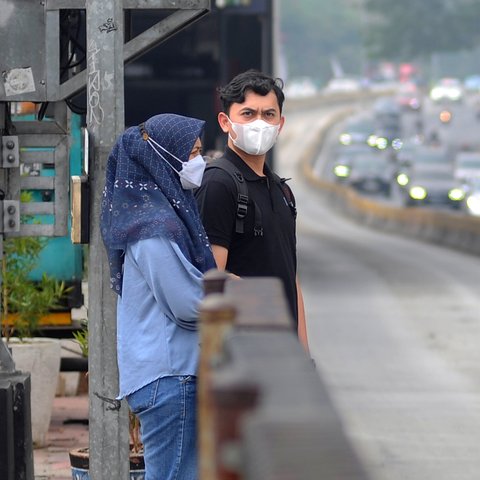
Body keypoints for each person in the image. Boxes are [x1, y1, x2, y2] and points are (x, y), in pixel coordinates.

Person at [100, 113, 216, 480]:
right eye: (194, 153)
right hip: (172, 377)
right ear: (165, 157)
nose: (200, 162)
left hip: (170, 377)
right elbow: (186, 306)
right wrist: (231, 295)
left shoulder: (157, 217)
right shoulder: (154, 229)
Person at [194, 69, 309, 351]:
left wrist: (303, 353)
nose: (260, 122)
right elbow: (211, 282)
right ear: (225, 121)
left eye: (268, 115)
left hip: (283, 353)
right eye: (248, 114)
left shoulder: (280, 189)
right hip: (242, 355)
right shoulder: (218, 184)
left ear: (280, 124)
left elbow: (290, 277)